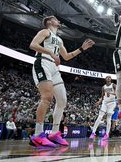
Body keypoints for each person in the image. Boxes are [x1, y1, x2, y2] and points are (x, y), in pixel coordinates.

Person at [29, 15, 95, 148]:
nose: (58, 21)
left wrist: (82, 49)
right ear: (49, 22)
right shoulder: (45, 32)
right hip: (43, 63)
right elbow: (33, 45)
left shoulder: (59, 39)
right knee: (47, 98)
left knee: (62, 100)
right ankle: (37, 134)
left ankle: (54, 133)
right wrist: (51, 53)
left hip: (54, 68)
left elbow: (66, 56)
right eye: (55, 19)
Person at [89, 76, 117, 141]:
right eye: (107, 77)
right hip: (105, 102)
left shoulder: (113, 85)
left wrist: (110, 93)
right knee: (99, 117)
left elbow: (117, 93)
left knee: (108, 118)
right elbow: (102, 96)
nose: (108, 78)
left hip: (112, 102)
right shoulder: (103, 87)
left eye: (109, 77)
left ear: (111, 79)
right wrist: (99, 101)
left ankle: (107, 134)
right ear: (105, 79)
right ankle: (93, 132)